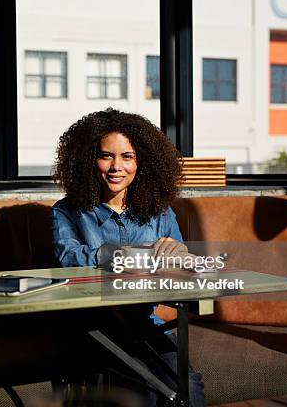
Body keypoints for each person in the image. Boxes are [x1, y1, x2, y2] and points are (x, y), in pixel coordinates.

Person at [51, 108, 205, 406]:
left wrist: (183, 257)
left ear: (142, 162)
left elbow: (184, 275)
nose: (116, 167)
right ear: (88, 160)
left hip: (144, 326)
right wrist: (140, 255)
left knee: (187, 387)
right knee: (147, 389)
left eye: (127, 156)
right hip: (91, 330)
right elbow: (68, 259)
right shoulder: (66, 211)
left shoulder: (160, 213)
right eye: (106, 155)